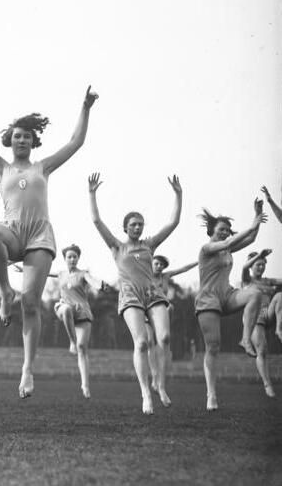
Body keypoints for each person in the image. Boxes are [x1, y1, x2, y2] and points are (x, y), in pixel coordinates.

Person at [0, 80, 98, 398]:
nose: (22, 139)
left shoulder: (44, 166)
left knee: (31, 303)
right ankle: (5, 290)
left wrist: (85, 108)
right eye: (17, 136)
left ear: (32, 141)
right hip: (12, 231)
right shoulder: (0, 167)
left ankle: (27, 370)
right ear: (10, 141)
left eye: (26, 136)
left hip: (39, 235)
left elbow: (75, 142)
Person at [89, 173, 182, 414]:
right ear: (126, 227)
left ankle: (160, 384)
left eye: (141, 224)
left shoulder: (149, 245)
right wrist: (92, 194)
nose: (138, 227)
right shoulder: (117, 247)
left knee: (163, 339)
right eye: (134, 224)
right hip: (130, 296)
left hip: (152, 294)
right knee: (141, 343)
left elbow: (172, 224)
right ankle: (145, 394)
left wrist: (178, 194)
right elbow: (98, 222)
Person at [194, 200, 266, 411]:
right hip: (208, 300)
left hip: (226, 295)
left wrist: (257, 216)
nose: (225, 233)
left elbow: (252, 238)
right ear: (211, 231)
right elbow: (227, 243)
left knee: (255, 294)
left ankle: (245, 338)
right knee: (213, 346)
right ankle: (211, 395)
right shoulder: (207, 248)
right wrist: (251, 225)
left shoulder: (227, 250)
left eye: (228, 230)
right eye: (221, 230)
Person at [48, 245, 107, 398]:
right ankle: (72, 341)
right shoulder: (60, 274)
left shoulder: (83, 274)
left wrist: (100, 285)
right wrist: (26, 270)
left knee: (82, 348)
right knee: (66, 309)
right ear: (65, 258)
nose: (72, 259)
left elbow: (92, 281)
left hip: (82, 310)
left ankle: (85, 385)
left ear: (78, 258)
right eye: (69, 257)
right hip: (64, 307)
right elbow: (43, 273)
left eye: (75, 256)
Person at [146, 255, 197, 394]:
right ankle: (154, 375)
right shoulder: (144, 274)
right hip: (146, 311)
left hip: (161, 311)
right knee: (149, 342)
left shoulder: (166, 276)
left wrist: (198, 261)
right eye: (156, 263)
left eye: (162, 265)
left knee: (162, 343)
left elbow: (183, 269)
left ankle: (161, 380)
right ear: (151, 264)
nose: (159, 266)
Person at [241, 249, 282, 397]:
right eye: (258, 264)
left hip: (268, 315)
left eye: (263, 264)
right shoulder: (247, 280)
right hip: (254, 318)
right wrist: (259, 255)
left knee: (279, 296)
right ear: (252, 266)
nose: (261, 267)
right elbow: (244, 268)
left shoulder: (268, 281)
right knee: (262, 350)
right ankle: (267, 384)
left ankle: (279, 329)